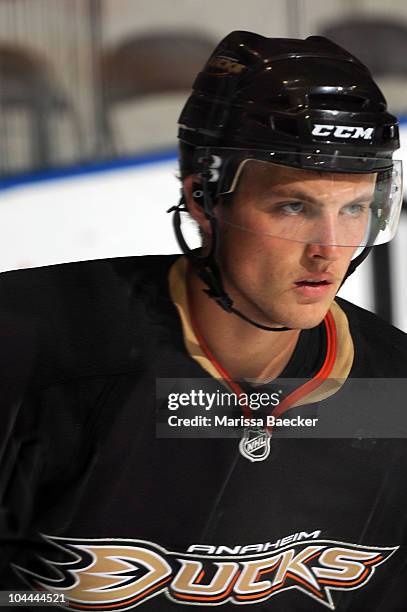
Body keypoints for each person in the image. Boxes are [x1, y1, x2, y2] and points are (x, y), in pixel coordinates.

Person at [0, 30, 407, 611]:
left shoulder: (394, 395)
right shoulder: (31, 350)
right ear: (203, 199)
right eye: (294, 206)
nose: (330, 248)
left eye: (355, 209)